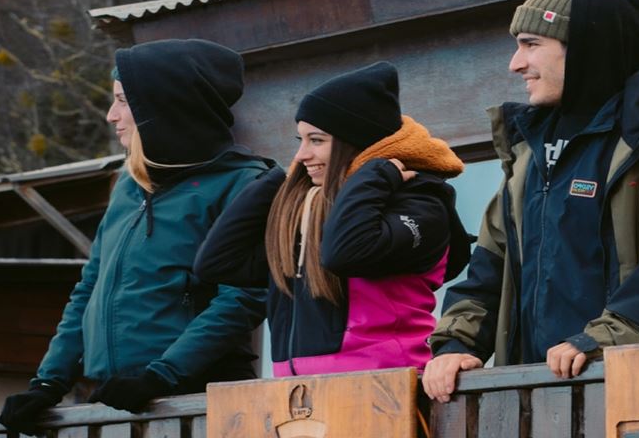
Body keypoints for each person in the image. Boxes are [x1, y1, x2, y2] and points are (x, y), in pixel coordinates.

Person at [423, 0, 639, 402]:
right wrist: (456, 345)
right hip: (539, 398)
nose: (515, 63)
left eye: (531, 44)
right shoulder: (528, 148)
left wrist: (604, 341)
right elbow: (490, 266)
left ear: (583, 49)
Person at [0, 39, 270, 434]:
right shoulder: (129, 185)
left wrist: (161, 375)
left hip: (199, 400)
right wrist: (49, 381)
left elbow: (243, 298)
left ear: (165, 107)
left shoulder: (246, 184)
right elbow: (89, 289)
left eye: (123, 100)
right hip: (116, 400)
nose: (111, 116)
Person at [194, 61, 471, 376]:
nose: (301, 155)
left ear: (354, 142)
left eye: (316, 140)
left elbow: (346, 253)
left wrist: (375, 171)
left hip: (386, 384)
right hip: (300, 396)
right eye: (299, 141)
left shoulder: (420, 203)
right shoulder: (309, 210)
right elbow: (216, 263)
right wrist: (277, 182)